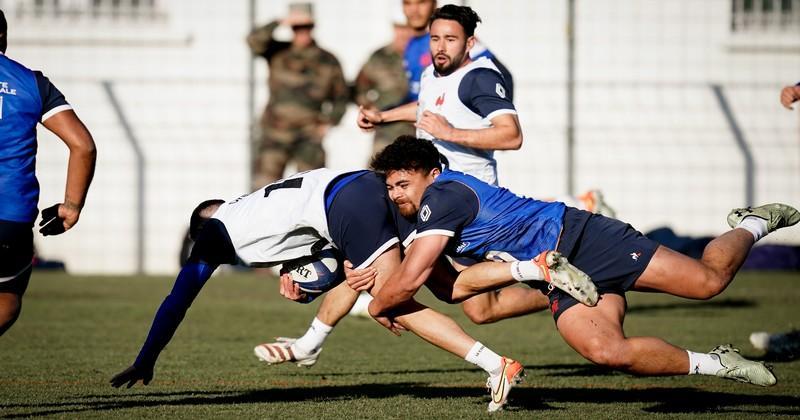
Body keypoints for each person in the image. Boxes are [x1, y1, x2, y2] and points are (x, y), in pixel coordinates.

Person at [111, 168, 580, 411]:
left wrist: (147, 356)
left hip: (347, 203)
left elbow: (178, 299)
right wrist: (334, 276)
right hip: (356, 186)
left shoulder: (214, 232)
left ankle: (495, 364)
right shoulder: (255, 205)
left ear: (203, 224)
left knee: (389, 302)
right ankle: (533, 271)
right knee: (446, 286)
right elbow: (333, 255)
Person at [368, 135, 798, 387]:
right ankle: (716, 362)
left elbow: (412, 277)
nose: (397, 195)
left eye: (403, 183)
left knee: (708, 282)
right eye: (390, 188)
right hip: (559, 275)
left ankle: (752, 224)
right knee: (605, 350)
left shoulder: (443, 197)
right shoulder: (426, 212)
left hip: (584, 239)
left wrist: (379, 304)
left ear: (433, 174)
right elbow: (454, 289)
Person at [0, 9, 97, 336]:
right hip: (9, 218)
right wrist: (71, 206)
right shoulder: (30, 83)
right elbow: (83, 146)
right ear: (3, 37)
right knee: (7, 300)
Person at [358, 4, 521, 186]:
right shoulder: (430, 73)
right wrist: (382, 116)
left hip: (473, 195)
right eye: (435, 39)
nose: (441, 47)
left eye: (450, 39)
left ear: (469, 43)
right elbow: (427, 106)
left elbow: (513, 136)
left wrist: (449, 132)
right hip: (437, 190)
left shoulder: (479, 76)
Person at [246, 3, 349, 188]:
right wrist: (279, 21)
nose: (302, 32)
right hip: (274, 133)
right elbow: (253, 41)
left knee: (314, 189)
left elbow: (341, 96)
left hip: (308, 136)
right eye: (297, 27)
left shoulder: (328, 61)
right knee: (261, 191)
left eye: (306, 27)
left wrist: (329, 122)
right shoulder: (277, 52)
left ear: (313, 26)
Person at [352, 16, 416, 155]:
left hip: (419, 133)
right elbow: (358, 87)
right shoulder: (379, 57)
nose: (404, 33)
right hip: (387, 133)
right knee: (378, 174)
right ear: (394, 29)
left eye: (408, 28)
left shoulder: (426, 55)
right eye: (400, 28)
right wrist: (369, 108)